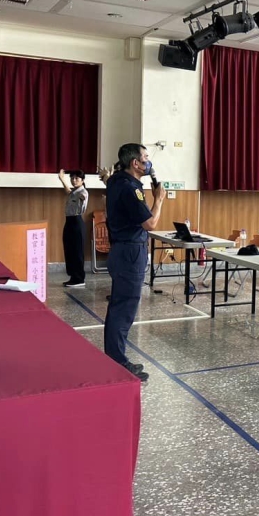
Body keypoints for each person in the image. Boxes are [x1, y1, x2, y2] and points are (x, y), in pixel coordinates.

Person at [104, 143, 166, 383]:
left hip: (121, 250)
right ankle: (117, 361)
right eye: (146, 158)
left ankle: (114, 356)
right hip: (130, 252)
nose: (149, 162)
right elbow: (150, 224)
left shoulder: (116, 181)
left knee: (119, 306)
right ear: (135, 163)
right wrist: (158, 199)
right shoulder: (130, 188)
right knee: (124, 308)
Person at [58, 168, 89, 288]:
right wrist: (62, 179)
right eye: (72, 178)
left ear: (82, 180)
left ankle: (79, 278)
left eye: (77, 178)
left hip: (77, 222)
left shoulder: (83, 192)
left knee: (77, 251)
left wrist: (82, 198)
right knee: (69, 249)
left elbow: (82, 198)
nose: (74, 180)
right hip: (69, 221)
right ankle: (73, 277)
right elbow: (68, 191)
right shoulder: (74, 192)